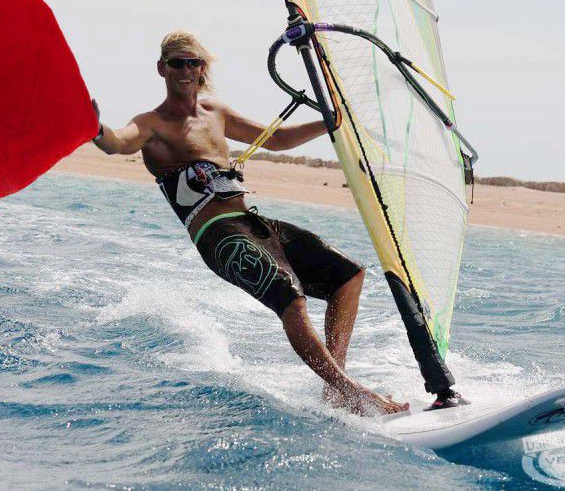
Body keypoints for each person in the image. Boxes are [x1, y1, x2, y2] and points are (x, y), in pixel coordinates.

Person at [91, 31, 455, 415]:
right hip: (216, 234)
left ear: (202, 69)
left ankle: (335, 390)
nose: (185, 70)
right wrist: (96, 128)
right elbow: (118, 142)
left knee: (348, 276)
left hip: (252, 223)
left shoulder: (215, 113)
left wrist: (330, 121)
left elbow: (276, 139)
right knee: (290, 299)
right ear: (161, 68)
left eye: (193, 62)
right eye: (177, 63)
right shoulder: (152, 124)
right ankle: (352, 393)